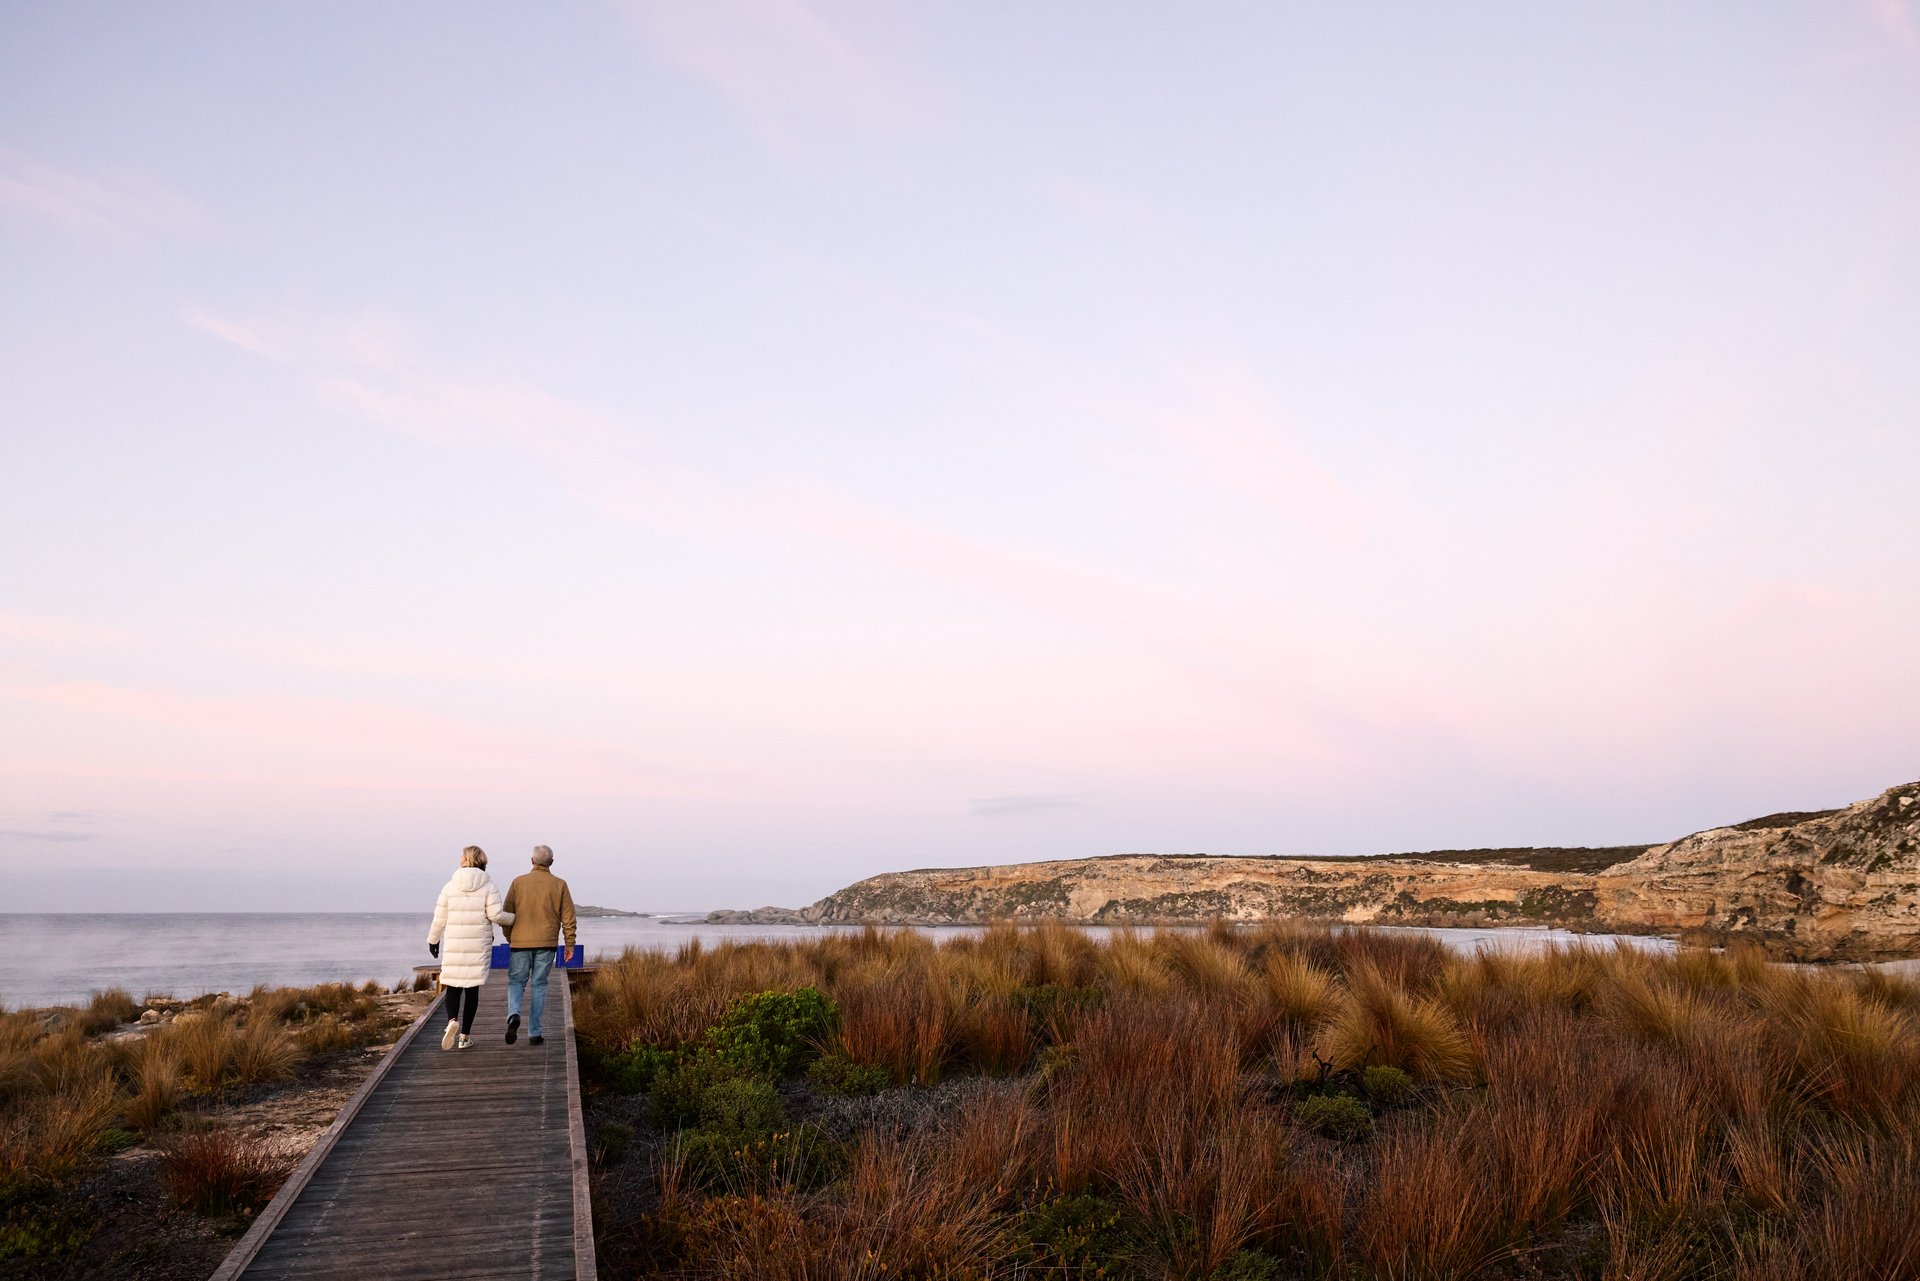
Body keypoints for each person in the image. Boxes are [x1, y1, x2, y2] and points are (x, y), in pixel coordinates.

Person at [427, 845, 514, 1051]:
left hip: (455, 943)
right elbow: (495, 916)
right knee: (472, 990)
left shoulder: (449, 887)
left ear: (465, 860)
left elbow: (439, 918)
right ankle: (464, 1037)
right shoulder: (489, 886)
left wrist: (433, 940)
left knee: (453, 987)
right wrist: (515, 919)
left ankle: (451, 1021)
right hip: (477, 945)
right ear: (482, 860)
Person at [501, 844, 577, 1046]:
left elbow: (506, 915)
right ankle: (534, 1033)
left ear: (532, 861)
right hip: (547, 942)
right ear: (551, 862)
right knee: (539, 985)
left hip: (520, 943)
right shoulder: (559, 884)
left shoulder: (518, 883)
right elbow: (568, 918)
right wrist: (570, 944)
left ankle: (513, 1015)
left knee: (516, 981)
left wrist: (510, 937)